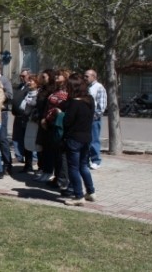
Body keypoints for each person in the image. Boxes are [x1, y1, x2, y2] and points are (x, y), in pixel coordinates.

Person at [62, 73, 97, 206]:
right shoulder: (89, 100)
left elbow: (67, 121)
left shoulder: (74, 103)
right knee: (83, 166)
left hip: (74, 138)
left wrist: (61, 115)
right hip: (86, 137)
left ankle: (78, 196)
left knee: (74, 168)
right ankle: (91, 191)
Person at [85, 70, 107, 170]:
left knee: (94, 139)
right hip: (85, 118)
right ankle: (85, 160)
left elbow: (101, 106)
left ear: (94, 76)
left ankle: (96, 160)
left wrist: (93, 116)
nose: (85, 78)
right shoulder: (86, 87)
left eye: (87, 76)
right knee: (85, 140)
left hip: (93, 119)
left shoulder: (99, 87)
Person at [11, 69, 31, 163]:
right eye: (21, 76)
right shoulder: (19, 86)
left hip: (25, 116)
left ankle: (32, 158)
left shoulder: (30, 87)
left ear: (29, 76)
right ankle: (18, 155)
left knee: (26, 137)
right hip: (17, 115)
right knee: (16, 136)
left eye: (24, 76)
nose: (22, 78)